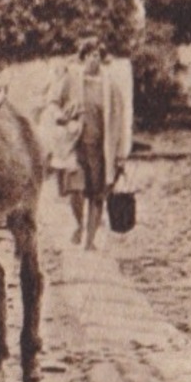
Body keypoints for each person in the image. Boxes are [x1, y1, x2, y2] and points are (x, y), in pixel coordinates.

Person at [49, 36, 130, 250]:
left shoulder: (110, 87)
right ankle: (78, 224)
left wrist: (120, 154)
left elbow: (120, 122)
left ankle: (90, 240)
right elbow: (54, 102)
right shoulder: (71, 79)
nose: (95, 60)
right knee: (75, 190)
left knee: (97, 195)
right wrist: (61, 117)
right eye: (91, 56)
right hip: (76, 146)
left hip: (101, 150)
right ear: (83, 57)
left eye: (98, 56)